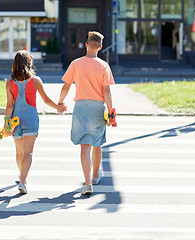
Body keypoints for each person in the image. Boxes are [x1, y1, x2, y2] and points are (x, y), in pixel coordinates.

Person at [58, 31, 115, 195]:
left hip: (81, 107)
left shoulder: (76, 63)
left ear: (86, 44)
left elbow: (66, 86)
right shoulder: (104, 66)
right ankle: (96, 175)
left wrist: (60, 102)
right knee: (97, 143)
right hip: (98, 108)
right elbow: (107, 91)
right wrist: (111, 111)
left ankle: (88, 183)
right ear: (101, 47)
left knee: (85, 146)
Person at [5, 50, 66, 194]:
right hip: (31, 119)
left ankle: (22, 175)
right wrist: (58, 107)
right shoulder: (36, 80)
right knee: (28, 153)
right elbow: (45, 100)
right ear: (29, 63)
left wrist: (6, 125)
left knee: (19, 153)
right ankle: (22, 181)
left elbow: (9, 105)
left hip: (15, 120)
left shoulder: (9, 82)